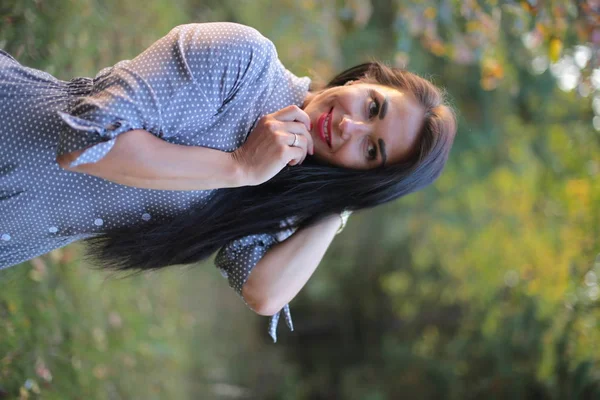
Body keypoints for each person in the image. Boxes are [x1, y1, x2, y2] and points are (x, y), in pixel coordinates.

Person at [0, 22, 456, 342]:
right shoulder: (243, 62)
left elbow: (264, 291)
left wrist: (338, 207)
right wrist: (238, 167)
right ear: (364, 78)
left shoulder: (285, 184)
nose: (349, 129)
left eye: (371, 151)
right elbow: (85, 141)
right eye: (373, 107)